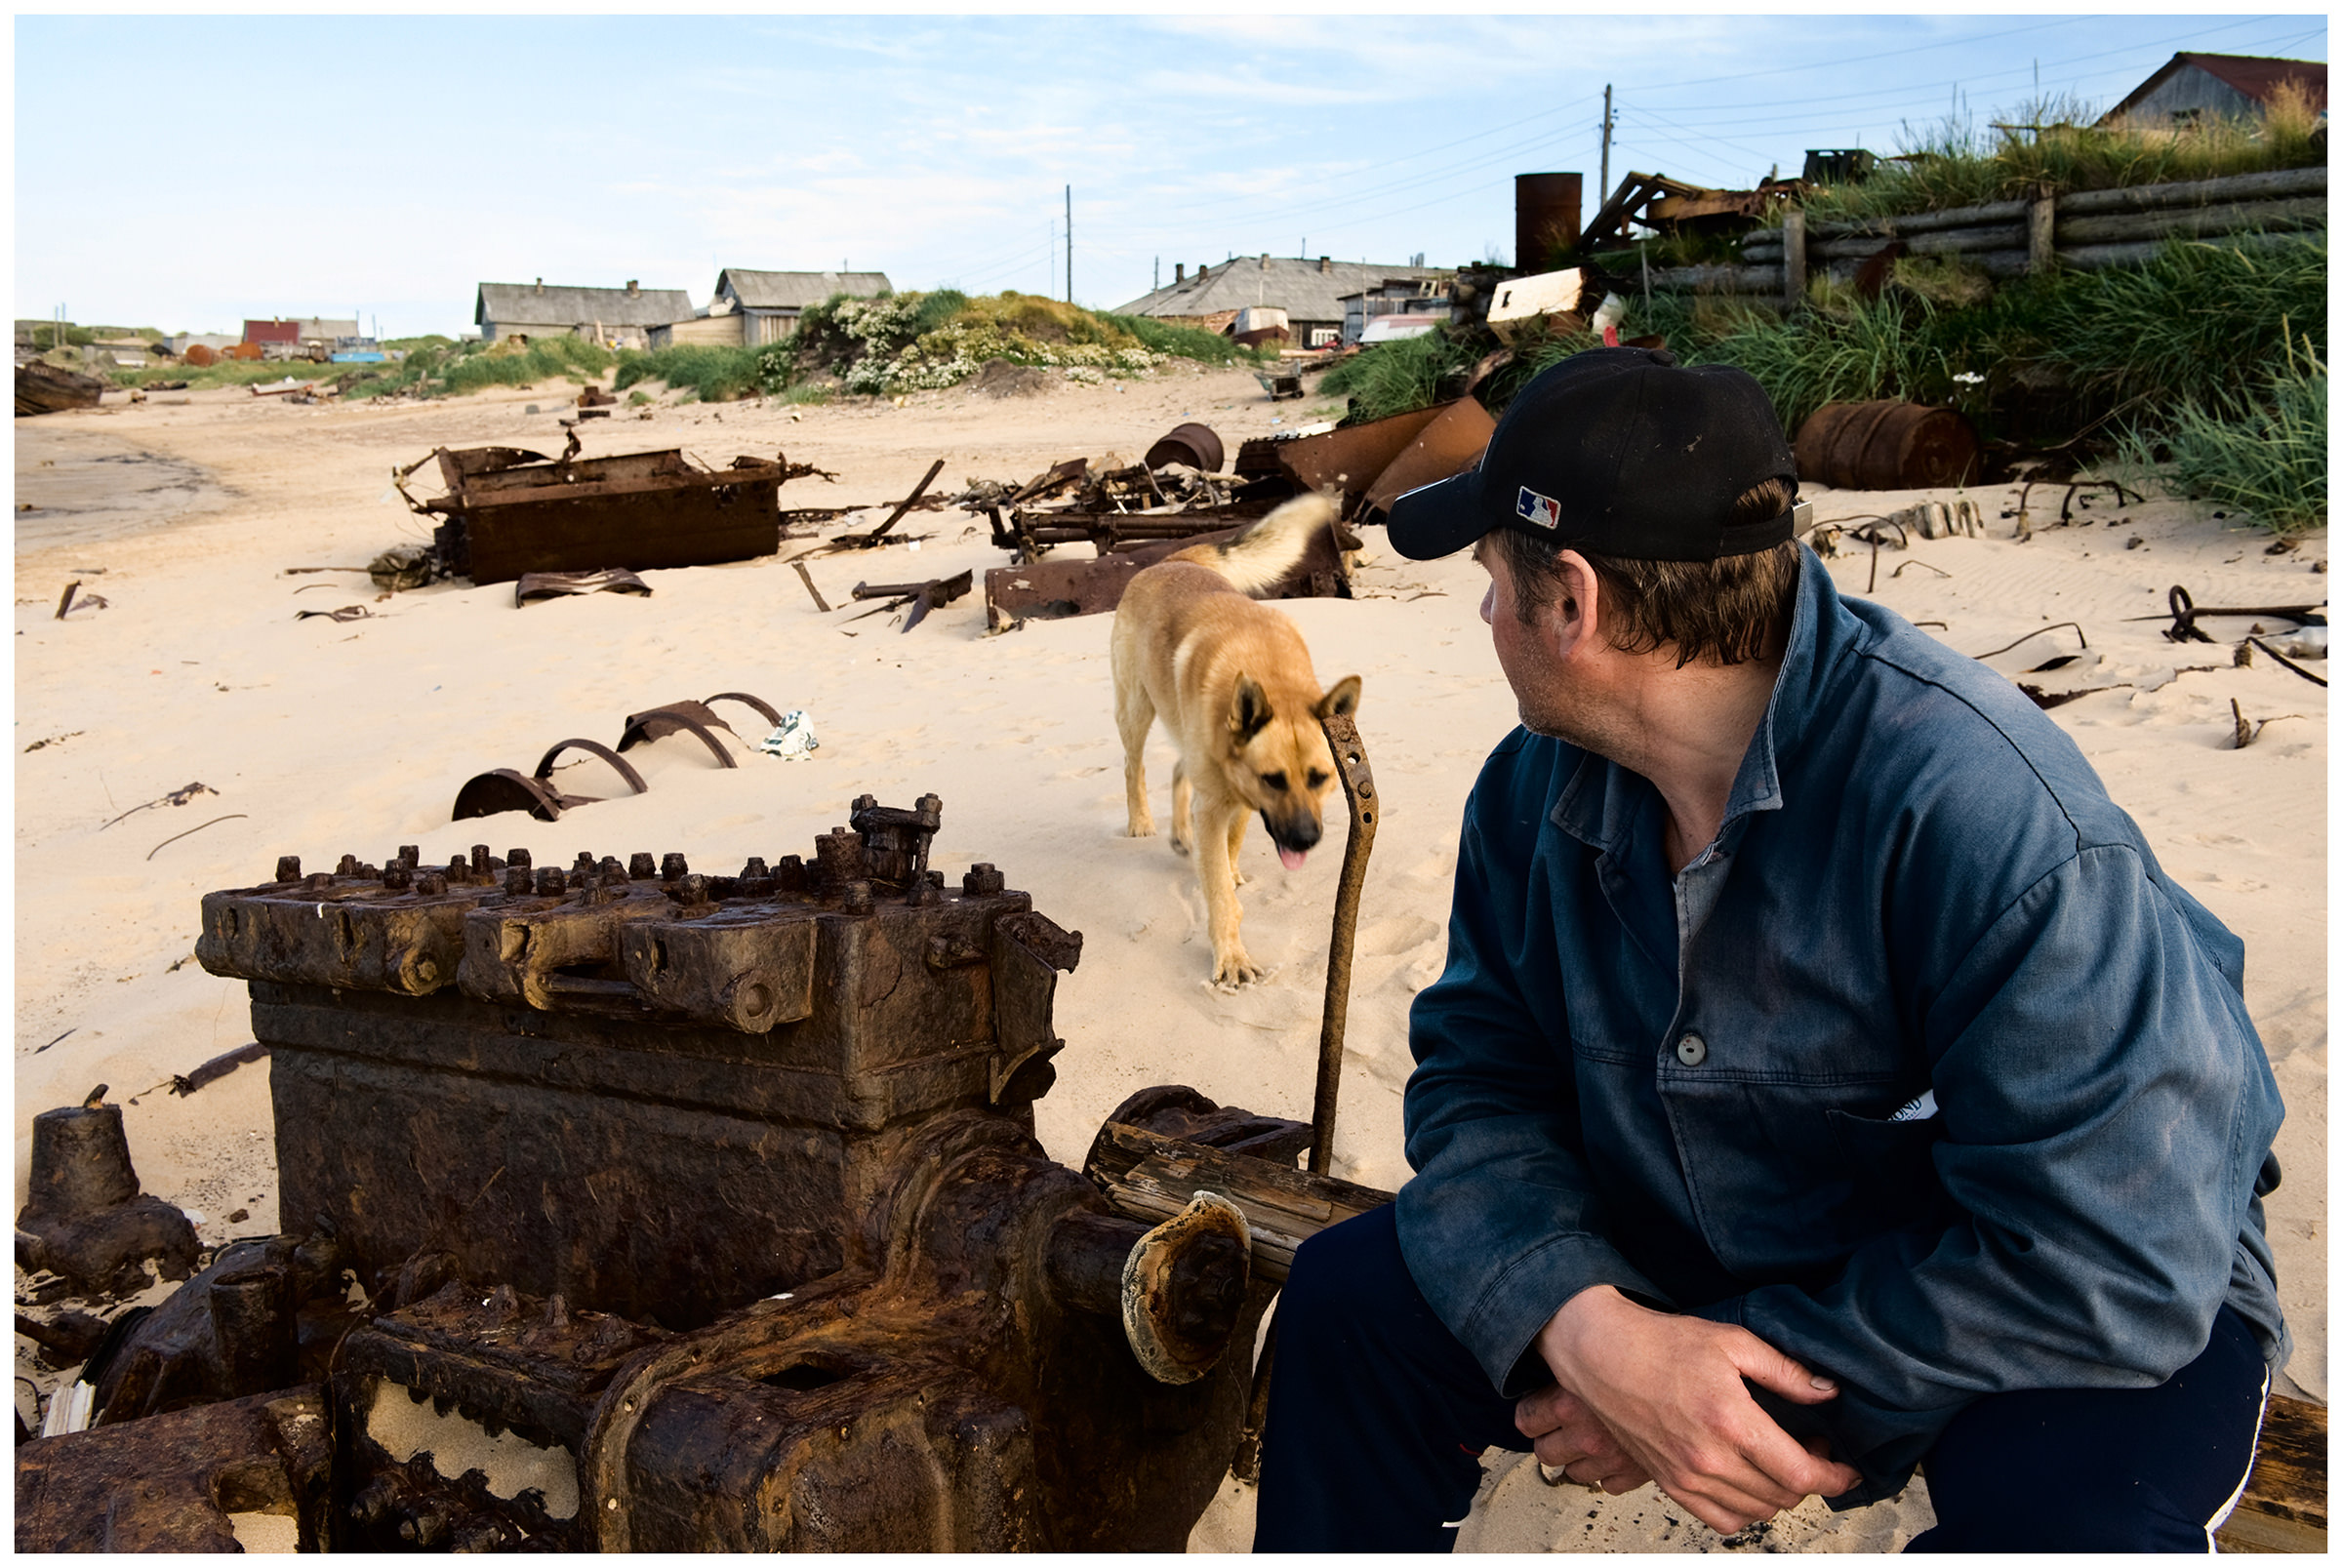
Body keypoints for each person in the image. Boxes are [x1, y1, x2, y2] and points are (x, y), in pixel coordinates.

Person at [1251, 346, 2287, 1553]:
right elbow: (1481, 1084)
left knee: (2078, 1523)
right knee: (1349, 1304)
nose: (1488, 615)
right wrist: (1592, 1327)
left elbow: (2117, 1255)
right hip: (1703, 1227)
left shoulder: (1991, 816)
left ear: (1573, 602)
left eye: (1491, 579)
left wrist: (1712, 1384)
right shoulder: (1528, 795)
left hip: (2040, 1295)